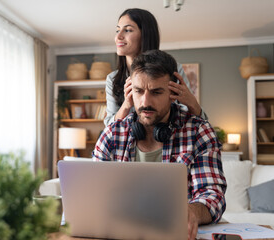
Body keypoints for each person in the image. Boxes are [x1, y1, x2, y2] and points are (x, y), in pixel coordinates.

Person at [93, 50, 226, 240]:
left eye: (156, 92)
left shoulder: (199, 131)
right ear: (130, 91)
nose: (145, 102)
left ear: (173, 93)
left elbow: (213, 195)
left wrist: (191, 212)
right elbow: (93, 193)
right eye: (139, 91)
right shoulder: (112, 134)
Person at [104, 8, 206, 127]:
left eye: (127, 30)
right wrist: (126, 105)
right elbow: (109, 127)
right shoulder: (112, 79)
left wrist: (191, 102)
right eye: (117, 30)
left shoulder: (173, 70)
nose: (118, 37)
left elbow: (197, 121)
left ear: (145, 35)